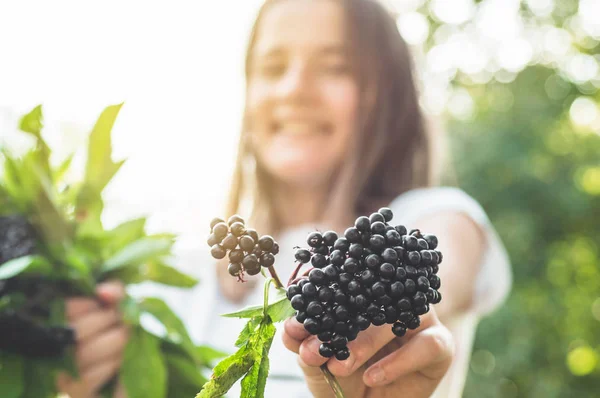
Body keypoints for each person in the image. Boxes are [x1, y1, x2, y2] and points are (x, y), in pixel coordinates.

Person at [60, 0, 512, 397]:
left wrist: (382, 305)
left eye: (336, 66)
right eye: (273, 67)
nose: (295, 89)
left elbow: (439, 261)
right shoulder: (183, 274)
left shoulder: (436, 213)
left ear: (386, 95)